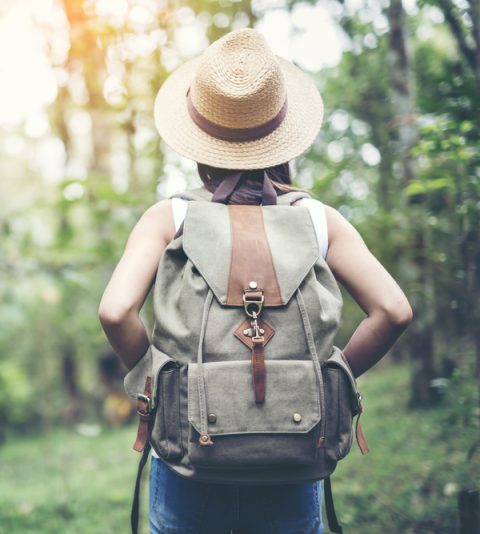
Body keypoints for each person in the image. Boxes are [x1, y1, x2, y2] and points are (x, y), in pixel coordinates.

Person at [98, 28, 413, 534]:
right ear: (281, 134)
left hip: (190, 458)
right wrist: (329, 379)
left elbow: (114, 311)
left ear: (199, 140)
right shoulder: (319, 220)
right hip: (293, 452)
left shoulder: (168, 218)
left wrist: (155, 381)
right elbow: (395, 311)